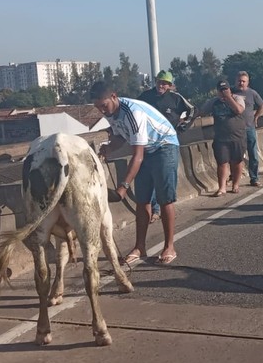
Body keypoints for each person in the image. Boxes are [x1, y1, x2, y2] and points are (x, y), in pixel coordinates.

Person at [90, 81, 179, 265]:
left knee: (165, 198)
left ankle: (169, 245)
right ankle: (140, 247)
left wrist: (124, 186)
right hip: (146, 149)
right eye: (98, 107)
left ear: (114, 96)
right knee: (142, 199)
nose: (102, 111)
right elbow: (121, 138)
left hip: (164, 145)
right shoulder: (112, 113)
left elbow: (137, 155)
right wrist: (108, 148)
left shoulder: (132, 112)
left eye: (104, 105)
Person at [138, 70, 196, 222]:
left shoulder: (175, 98)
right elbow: (134, 109)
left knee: (165, 178)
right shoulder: (146, 97)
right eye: (159, 82)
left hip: (168, 144)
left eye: (164, 83)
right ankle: (152, 209)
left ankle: (163, 207)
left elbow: (193, 110)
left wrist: (185, 125)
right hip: (148, 142)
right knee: (149, 177)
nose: (161, 85)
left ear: (170, 85)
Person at [201, 80, 247, 196]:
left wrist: (228, 98)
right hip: (221, 138)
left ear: (229, 89)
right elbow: (201, 111)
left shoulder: (237, 98)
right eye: (221, 91)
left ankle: (235, 184)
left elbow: (238, 110)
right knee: (222, 162)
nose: (223, 92)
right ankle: (222, 187)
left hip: (237, 137)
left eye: (225, 90)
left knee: (237, 161)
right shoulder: (213, 102)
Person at [232, 71, 263, 187]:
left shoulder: (252, 93)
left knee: (253, 154)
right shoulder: (231, 93)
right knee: (235, 155)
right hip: (235, 129)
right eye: (239, 81)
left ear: (247, 82)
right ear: (235, 81)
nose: (241, 83)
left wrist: (256, 117)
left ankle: (254, 178)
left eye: (243, 81)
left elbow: (262, 105)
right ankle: (234, 177)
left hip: (249, 127)